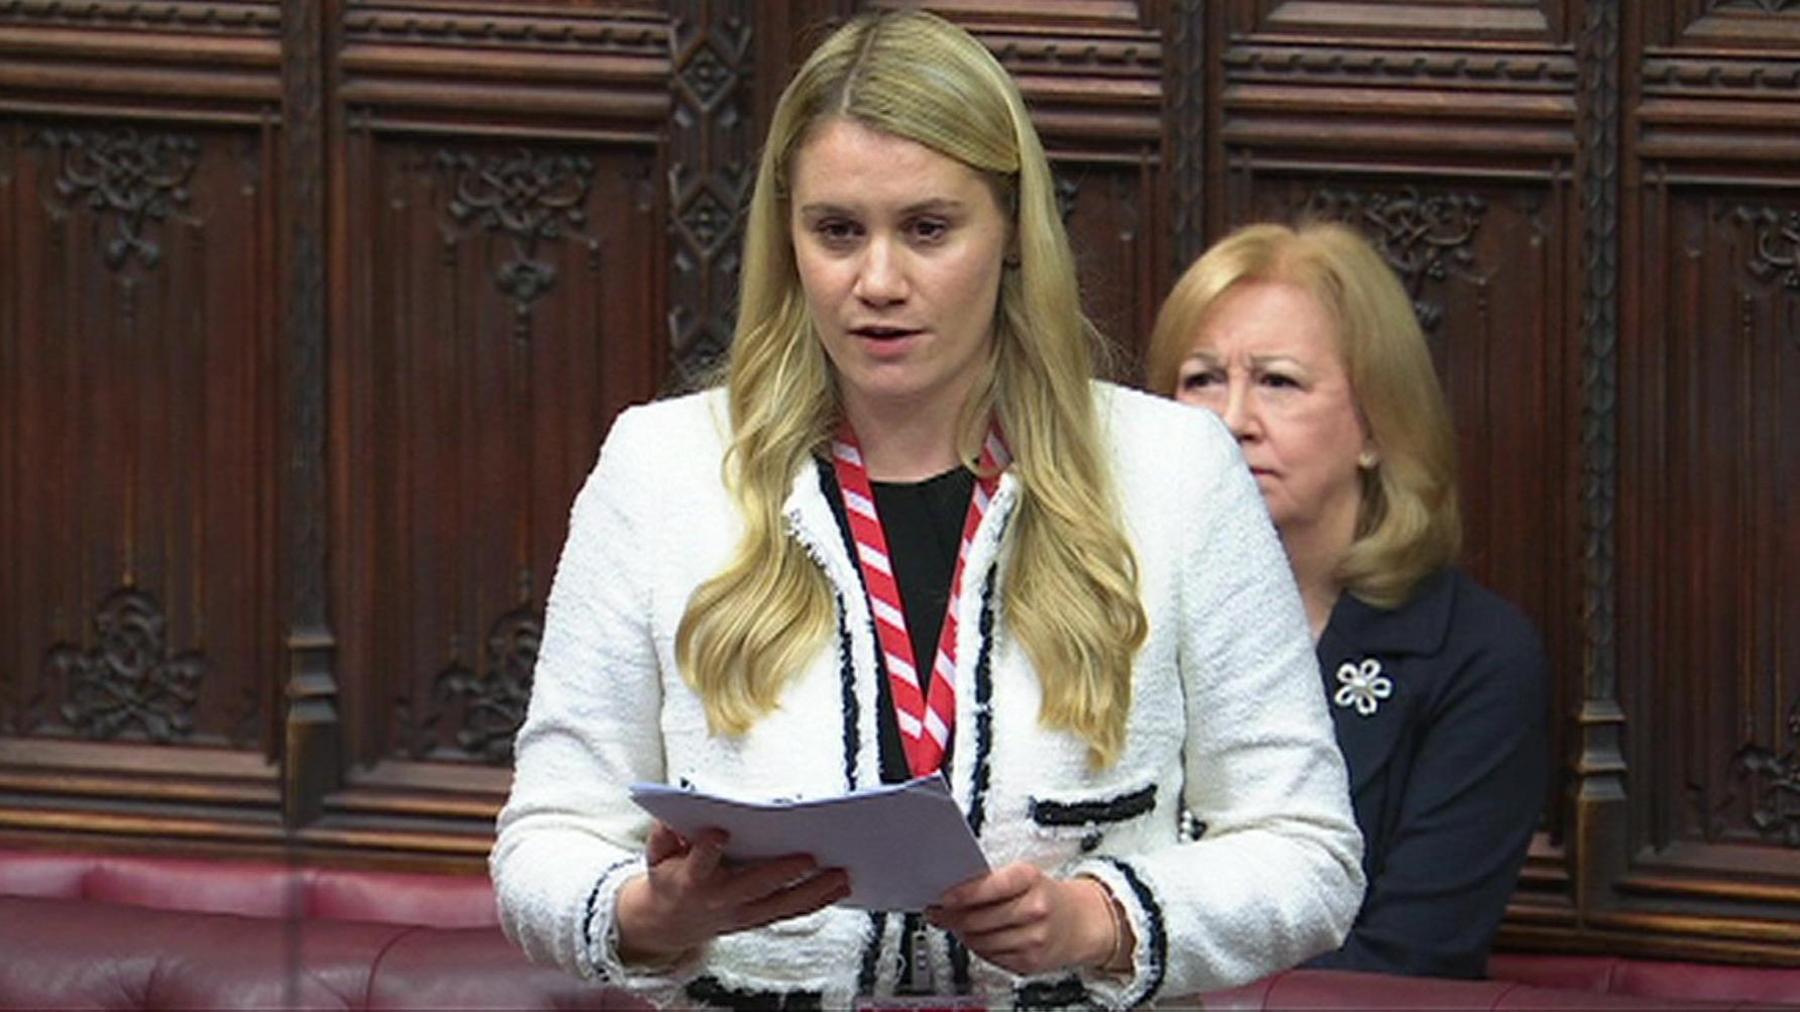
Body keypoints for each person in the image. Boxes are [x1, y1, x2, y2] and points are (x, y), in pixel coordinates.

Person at [491, 12, 1364, 1008]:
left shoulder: (1174, 471)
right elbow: (543, 841)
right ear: (790, 240)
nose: (877, 282)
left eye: (927, 229)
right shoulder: (662, 467)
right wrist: (652, 917)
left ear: (1010, 235)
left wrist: (1100, 917)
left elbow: (1309, 852)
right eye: (837, 232)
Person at [1146, 221, 1549, 979]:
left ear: (1375, 424)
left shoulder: (1478, 657)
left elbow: (1408, 963)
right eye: (1201, 379)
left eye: (1278, 382)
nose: (1231, 420)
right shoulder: (1110, 613)